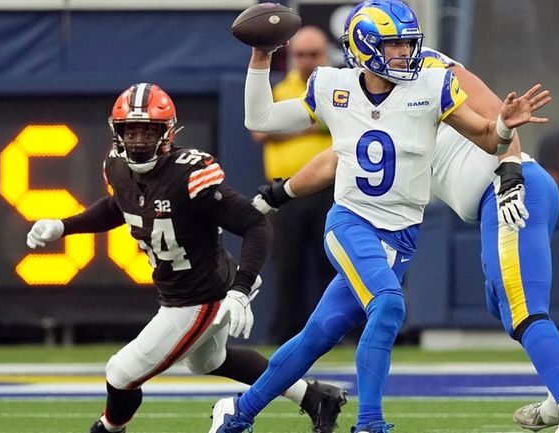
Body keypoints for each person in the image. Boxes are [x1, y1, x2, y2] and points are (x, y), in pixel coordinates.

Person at [249, 11, 559, 433]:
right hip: (489, 198)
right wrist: (279, 193)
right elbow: (339, 159)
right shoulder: (354, 90)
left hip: (507, 190)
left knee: (522, 308)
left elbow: (498, 117)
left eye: (406, 44)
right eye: (393, 45)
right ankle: (555, 397)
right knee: (502, 303)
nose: (403, 54)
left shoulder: (433, 72)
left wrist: (509, 170)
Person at [24, 83, 346, 433]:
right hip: (183, 290)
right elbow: (123, 206)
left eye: (148, 132)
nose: (138, 142)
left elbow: (255, 224)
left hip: (199, 297)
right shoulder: (117, 166)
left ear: (168, 134)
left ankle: (108, 429)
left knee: (120, 373)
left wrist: (240, 289)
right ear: (117, 133)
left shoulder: (190, 174)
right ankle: (315, 398)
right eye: (130, 132)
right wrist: (63, 225)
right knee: (211, 361)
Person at [250, 25, 337, 345]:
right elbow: (260, 131)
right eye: (301, 54)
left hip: (330, 189)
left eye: (313, 54)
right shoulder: (280, 89)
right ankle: (286, 333)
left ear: (325, 55)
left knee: (335, 262)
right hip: (285, 191)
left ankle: (343, 330)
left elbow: (345, 123)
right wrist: (313, 126)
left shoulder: (336, 87)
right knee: (288, 266)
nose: (308, 60)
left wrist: (288, 126)